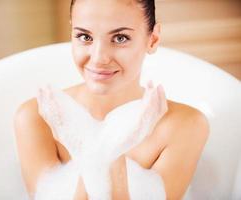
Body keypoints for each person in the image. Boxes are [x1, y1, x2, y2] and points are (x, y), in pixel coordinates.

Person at [13, 0, 210, 199]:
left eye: (120, 38)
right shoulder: (36, 118)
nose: (99, 58)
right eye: (84, 36)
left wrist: (110, 150)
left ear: (153, 39)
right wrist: (91, 151)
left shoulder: (186, 125)